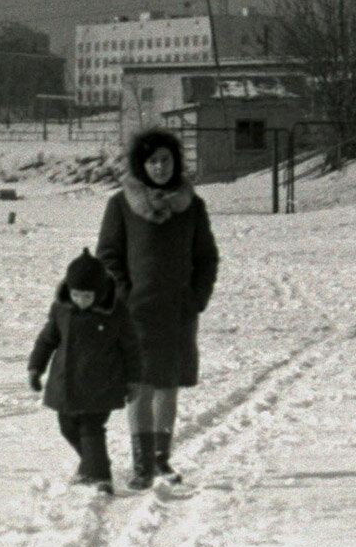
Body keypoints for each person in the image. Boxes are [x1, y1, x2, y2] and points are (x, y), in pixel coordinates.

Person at [96, 128, 219, 490]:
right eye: (152, 161)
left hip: (178, 313)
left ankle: (161, 460)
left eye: (166, 160)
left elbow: (206, 258)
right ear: (141, 164)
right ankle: (141, 466)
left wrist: (196, 298)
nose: (160, 167)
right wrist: (125, 297)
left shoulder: (192, 206)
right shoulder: (120, 204)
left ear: (175, 162)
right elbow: (108, 258)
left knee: (168, 386)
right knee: (140, 388)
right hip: (136, 314)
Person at [28, 248, 141, 495]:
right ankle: (91, 464)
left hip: (102, 383)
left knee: (91, 428)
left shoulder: (115, 313)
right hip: (65, 383)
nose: (80, 300)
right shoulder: (61, 309)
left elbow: (132, 348)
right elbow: (47, 340)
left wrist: (134, 380)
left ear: (99, 292)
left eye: (87, 295)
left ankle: (101, 478)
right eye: (76, 294)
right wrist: (36, 368)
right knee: (67, 427)